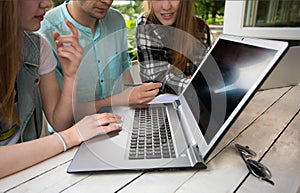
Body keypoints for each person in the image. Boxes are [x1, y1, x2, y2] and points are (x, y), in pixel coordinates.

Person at [0, 0, 122, 179]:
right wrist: (71, 136)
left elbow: (59, 122)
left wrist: (71, 75)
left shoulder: (37, 47)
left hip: (26, 175)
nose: (47, 3)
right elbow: (66, 132)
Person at [39, 0, 162, 122]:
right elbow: (60, 122)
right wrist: (114, 101)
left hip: (120, 122)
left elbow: (125, 83)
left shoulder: (116, 20)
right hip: (77, 134)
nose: (108, 1)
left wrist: (137, 99)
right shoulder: (45, 32)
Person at [136, 0, 212, 95]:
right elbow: (159, 80)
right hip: (160, 103)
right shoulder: (146, 24)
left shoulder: (201, 28)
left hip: (195, 102)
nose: (166, 7)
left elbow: (205, 74)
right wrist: (194, 84)